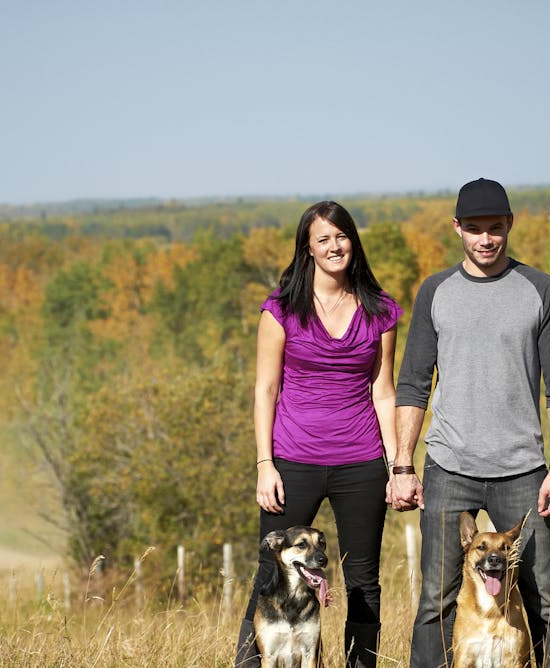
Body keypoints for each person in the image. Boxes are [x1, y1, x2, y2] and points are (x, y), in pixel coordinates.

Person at [387, 177, 550, 667]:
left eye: (495, 228)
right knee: (436, 598)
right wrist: (403, 465)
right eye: (474, 229)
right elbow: (412, 384)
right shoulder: (435, 291)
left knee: (545, 596)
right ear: (457, 228)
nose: (485, 239)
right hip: (450, 467)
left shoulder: (540, 289)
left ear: (509, 225)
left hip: (522, 469)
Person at [235, 200, 403, 668]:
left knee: (364, 582)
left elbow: (383, 391)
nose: (335, 246)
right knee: (269, 574)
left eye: (341, 235)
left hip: (362, 463)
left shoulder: (381, 311)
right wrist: (264, 464)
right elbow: (265, 389)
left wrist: (398, 467)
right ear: (307, 249)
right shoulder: (281, 309)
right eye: (323, 239)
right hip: (292, 462)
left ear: (354, 240)